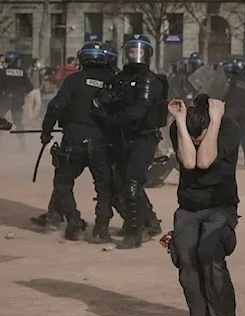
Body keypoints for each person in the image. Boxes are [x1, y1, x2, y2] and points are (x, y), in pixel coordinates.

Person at [167, 95, 240, 316]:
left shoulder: (228, 128)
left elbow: (204, 160)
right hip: (188, 209)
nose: (196, 142)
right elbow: (189, 162)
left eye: (200, 136)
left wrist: (216, 121)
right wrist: (180, 122)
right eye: (192, 137)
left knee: (209, 258)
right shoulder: (179, 125)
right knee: (187, 262)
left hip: (220, 208)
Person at [92, 34, 168, 249]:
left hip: (143, 137)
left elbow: (139, 110)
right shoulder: (120, 77)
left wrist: (110, 119)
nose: (135, 55)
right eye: (131, 51)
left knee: (132, 183)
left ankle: (135, 232)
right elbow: (105, 99)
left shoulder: (150, 80)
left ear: (147, 54)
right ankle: (150, 222)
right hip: (121, 137)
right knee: (124, 182)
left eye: (139, 51)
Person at [39, 42, 115, 242]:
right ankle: (101, 230)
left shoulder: (74, 80)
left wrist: (46, 131)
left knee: (63, 182)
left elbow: (56, 106)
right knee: (104, 187)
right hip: (102, 141)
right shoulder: (113, 81)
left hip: (73, 137)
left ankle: (74, 222)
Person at [223, 60, 245, 169]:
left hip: (231, 110)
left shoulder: (231, 79)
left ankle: (226, 160)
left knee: (228, 135)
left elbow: (224, 93)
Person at [0, 51, 33, 152]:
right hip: (18, 101)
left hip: (5, 100)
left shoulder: (3, 72)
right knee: (18, 123)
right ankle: (22, 145)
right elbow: (30, 87)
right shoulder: (22, 72)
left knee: (0, 120)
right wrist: (22, 94)